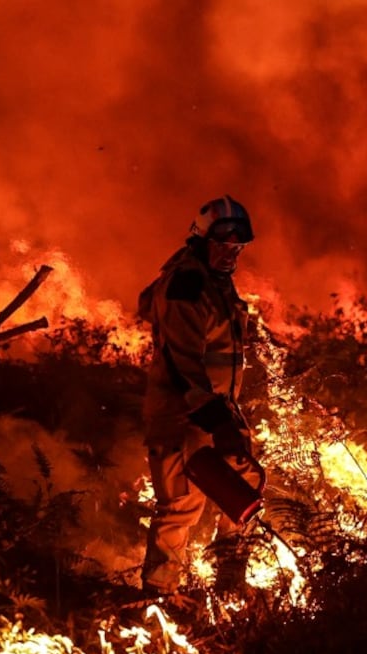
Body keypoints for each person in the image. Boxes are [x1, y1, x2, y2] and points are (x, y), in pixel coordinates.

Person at [136, 195, 263, 598]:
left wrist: (227, 418)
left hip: (217, 413)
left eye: (237, 247)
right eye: (223, 244)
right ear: (200, 239)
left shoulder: (216, 282)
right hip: (182, 417)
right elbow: (182, 365)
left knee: (248, 484)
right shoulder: (186, 285)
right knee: (180, 507)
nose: (231, 254)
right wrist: (217, 423)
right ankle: (158, 599)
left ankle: (229, 583)